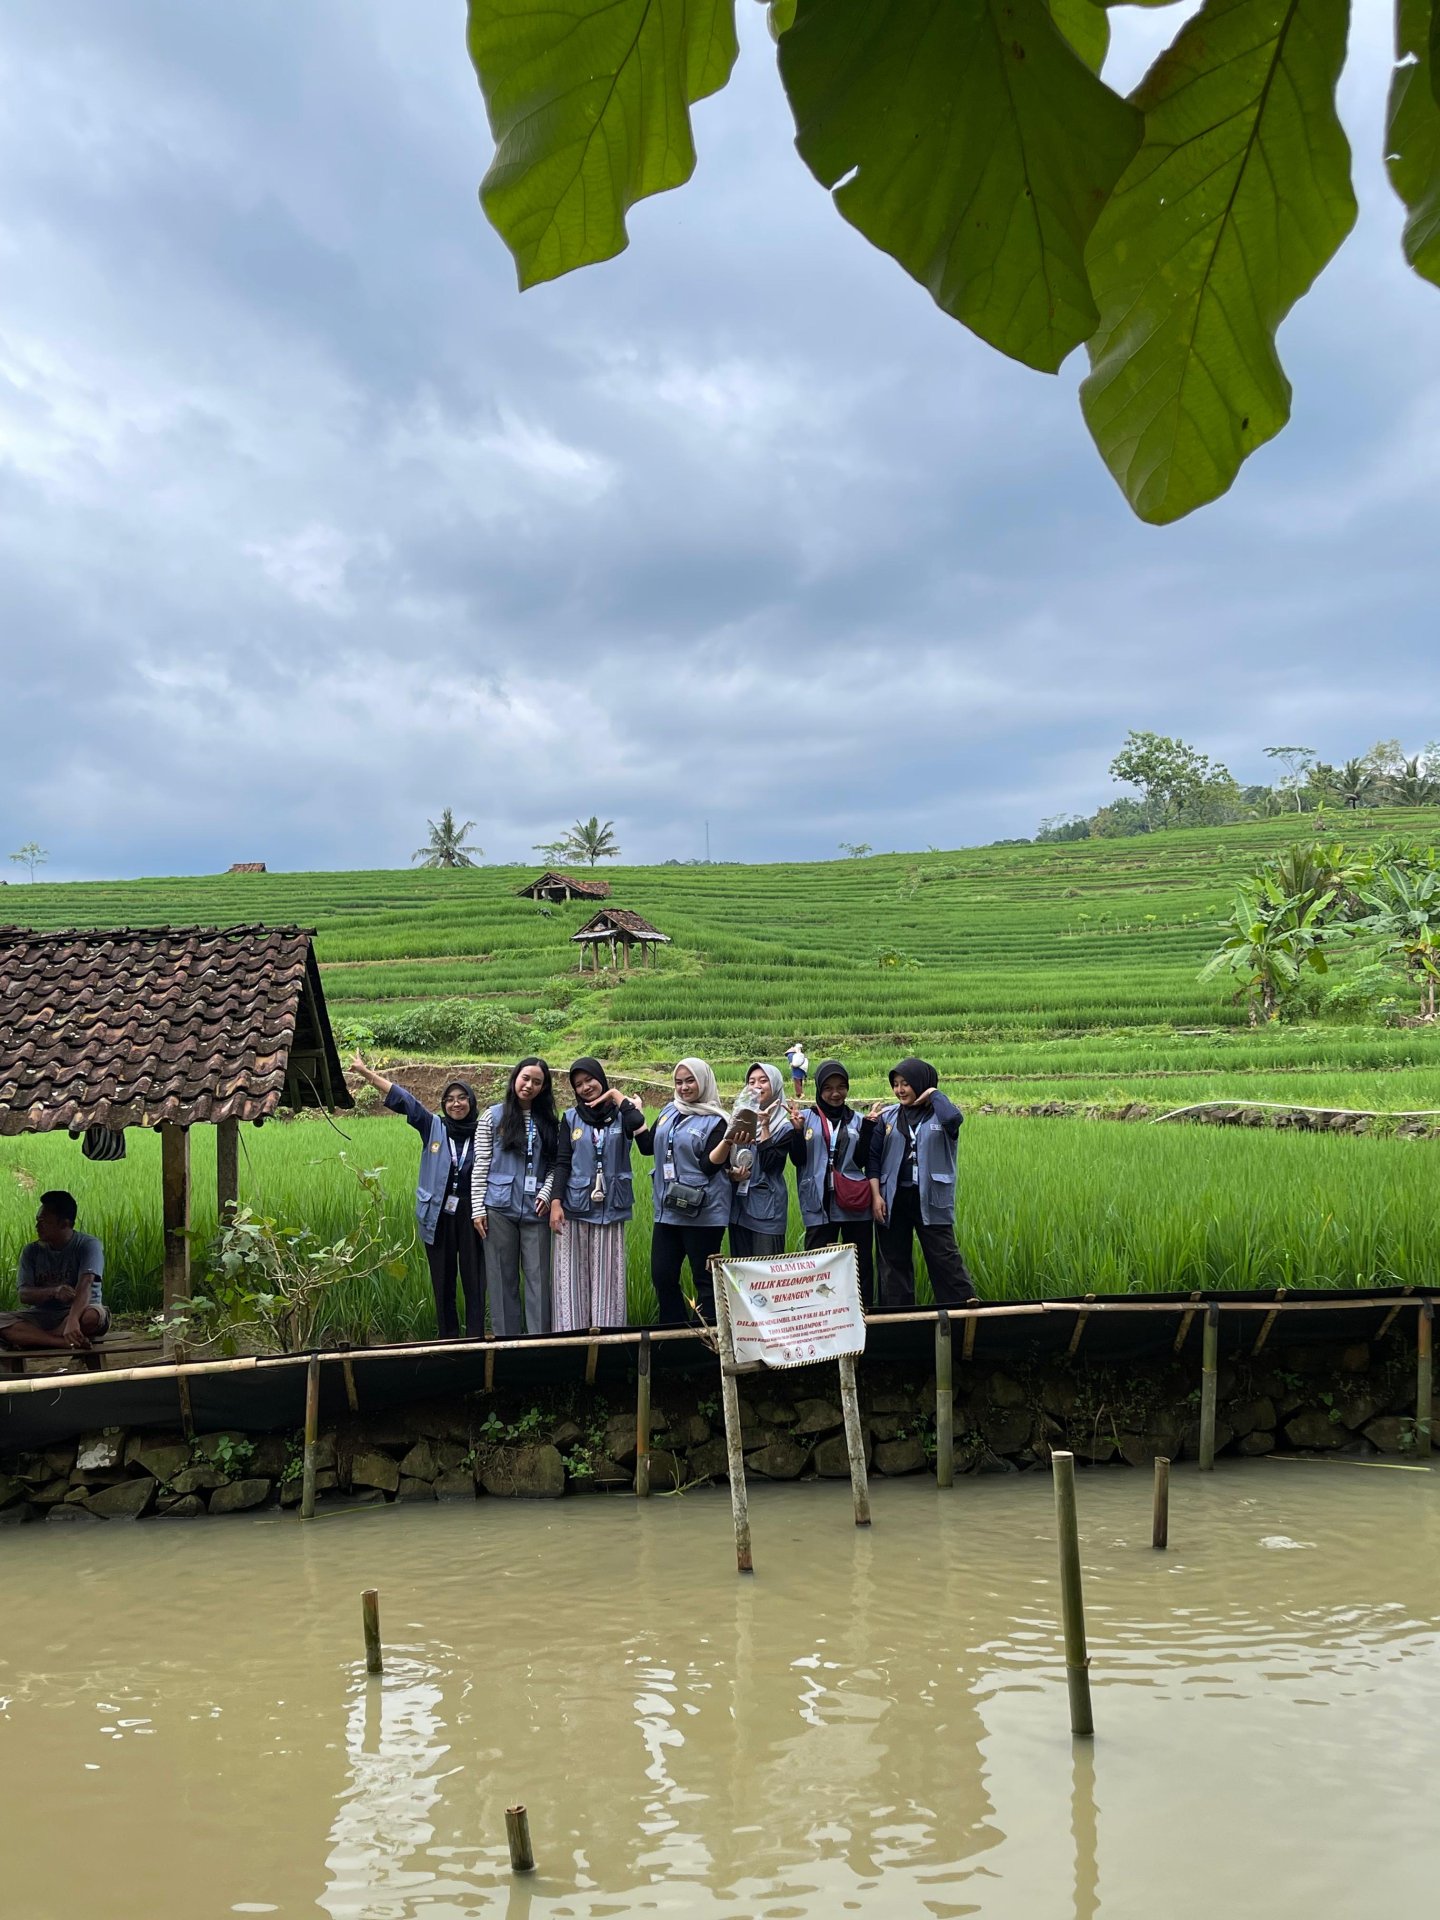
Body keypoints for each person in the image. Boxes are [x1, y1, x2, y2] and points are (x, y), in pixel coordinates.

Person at [351, 1052, 483, 1338]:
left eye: (462, 1098)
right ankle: (448, 1342)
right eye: (450, 1099)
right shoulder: (433, 1126)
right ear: (443, 1104)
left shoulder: (483, 1131)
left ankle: (475, 1340)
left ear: (471, 1102)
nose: (456, 1103)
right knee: (443, 1281)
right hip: (438, 1216)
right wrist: (366, 1074)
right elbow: (404, 1100)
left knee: (475, 1281)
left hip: (472, 1216)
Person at [635, 1058, 739, 1324]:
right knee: (662, 1275)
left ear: (703, 1081)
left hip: (704, 1212)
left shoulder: (719, 1121)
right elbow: (648, 1147)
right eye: (679, 1082)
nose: (684, 1087)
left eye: (690, 1081)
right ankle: (676, 1334)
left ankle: (711, 1339)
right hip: (668, 1207)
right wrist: (635, 1114)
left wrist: (728, 1141)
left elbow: (708, 1167)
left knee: (703, 1279)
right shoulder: (670, 1110)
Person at [867, 1056, 977, 1307]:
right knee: (893, 1264)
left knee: (944, 1258)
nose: (900, 1090)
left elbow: (953, 1120)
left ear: (921, 1082)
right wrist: (876, 1196)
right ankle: (899, 1322)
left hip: (931, 1197)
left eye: (906, 1083)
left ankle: (964, 1315)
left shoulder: (941, 1114)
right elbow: (873, 1160)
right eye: (895, 1084)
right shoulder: (889, 1116)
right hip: (893, 1198)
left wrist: (934, 1093)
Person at [550, 1057, 646, 1331]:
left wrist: (620, 1099)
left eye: (589, 1080)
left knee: (608, 1279)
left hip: (611, 1206)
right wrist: (556, 1202)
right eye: (578, 1084)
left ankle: (609, 1341)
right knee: (571, 1280)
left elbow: (645, 1142)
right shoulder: (570, 1118)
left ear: (601, 1078)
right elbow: (563, 1162)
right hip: (575, 1206)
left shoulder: (622, 1113)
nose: (585, 1087)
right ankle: (571, 1340)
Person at [474, 1057, 559, 1336]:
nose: (529, 1085)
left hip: (536, 1210)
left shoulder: (549, 1122)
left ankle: (540, 1343)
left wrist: (547, 1193)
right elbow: (481, 1164)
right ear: (514, 1079)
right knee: (501, 1278)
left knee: (538, 1279)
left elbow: (556, 1164)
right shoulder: (492, 1116)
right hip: (498, 1208)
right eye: (525, 1078)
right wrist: (477, 1209)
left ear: (543, 1087)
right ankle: (506, 1343)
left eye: (537, 1082)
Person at [792, 1059, 877, 1306]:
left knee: (860, 1264)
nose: (835, 1093)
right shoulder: (804, 1117)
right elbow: (798, 1160)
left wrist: (870, 1129)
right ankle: (819, 1315)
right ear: (819, 1090)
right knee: (815, 1264)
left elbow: (862, 1160)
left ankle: (864, 1313)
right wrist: (797, 1132)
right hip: (818, 1200)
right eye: (828, 1088)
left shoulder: (858, 1120)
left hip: (853, 1200)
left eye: (841, 1087)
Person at [0, 1191, 110, 1352]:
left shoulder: (88, 1245)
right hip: (42, 1316)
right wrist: (54, 1292)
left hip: (80, 1312)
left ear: (64, 1224)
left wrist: (73, 1320)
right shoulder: (31, 1251)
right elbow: (24, 1294)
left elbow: (86, 1284)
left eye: (43, 1221)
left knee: (91, 1317)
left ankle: (34, 1338)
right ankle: (59, 1341)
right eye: (37, 1221)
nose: (37, 1227)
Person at [727, 1062, 801, 1257]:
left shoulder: (784, 1127)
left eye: (763, 1080)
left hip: (768, 1211)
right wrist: (732, 1173)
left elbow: (771, 1164)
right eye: (751, 1082)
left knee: (766, 1275)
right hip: (738, 1208)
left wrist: (765, 1126)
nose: (756, 1086)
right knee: (741, 1275)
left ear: (775, 1086)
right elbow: (727, 1158)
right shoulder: (739, 1120)